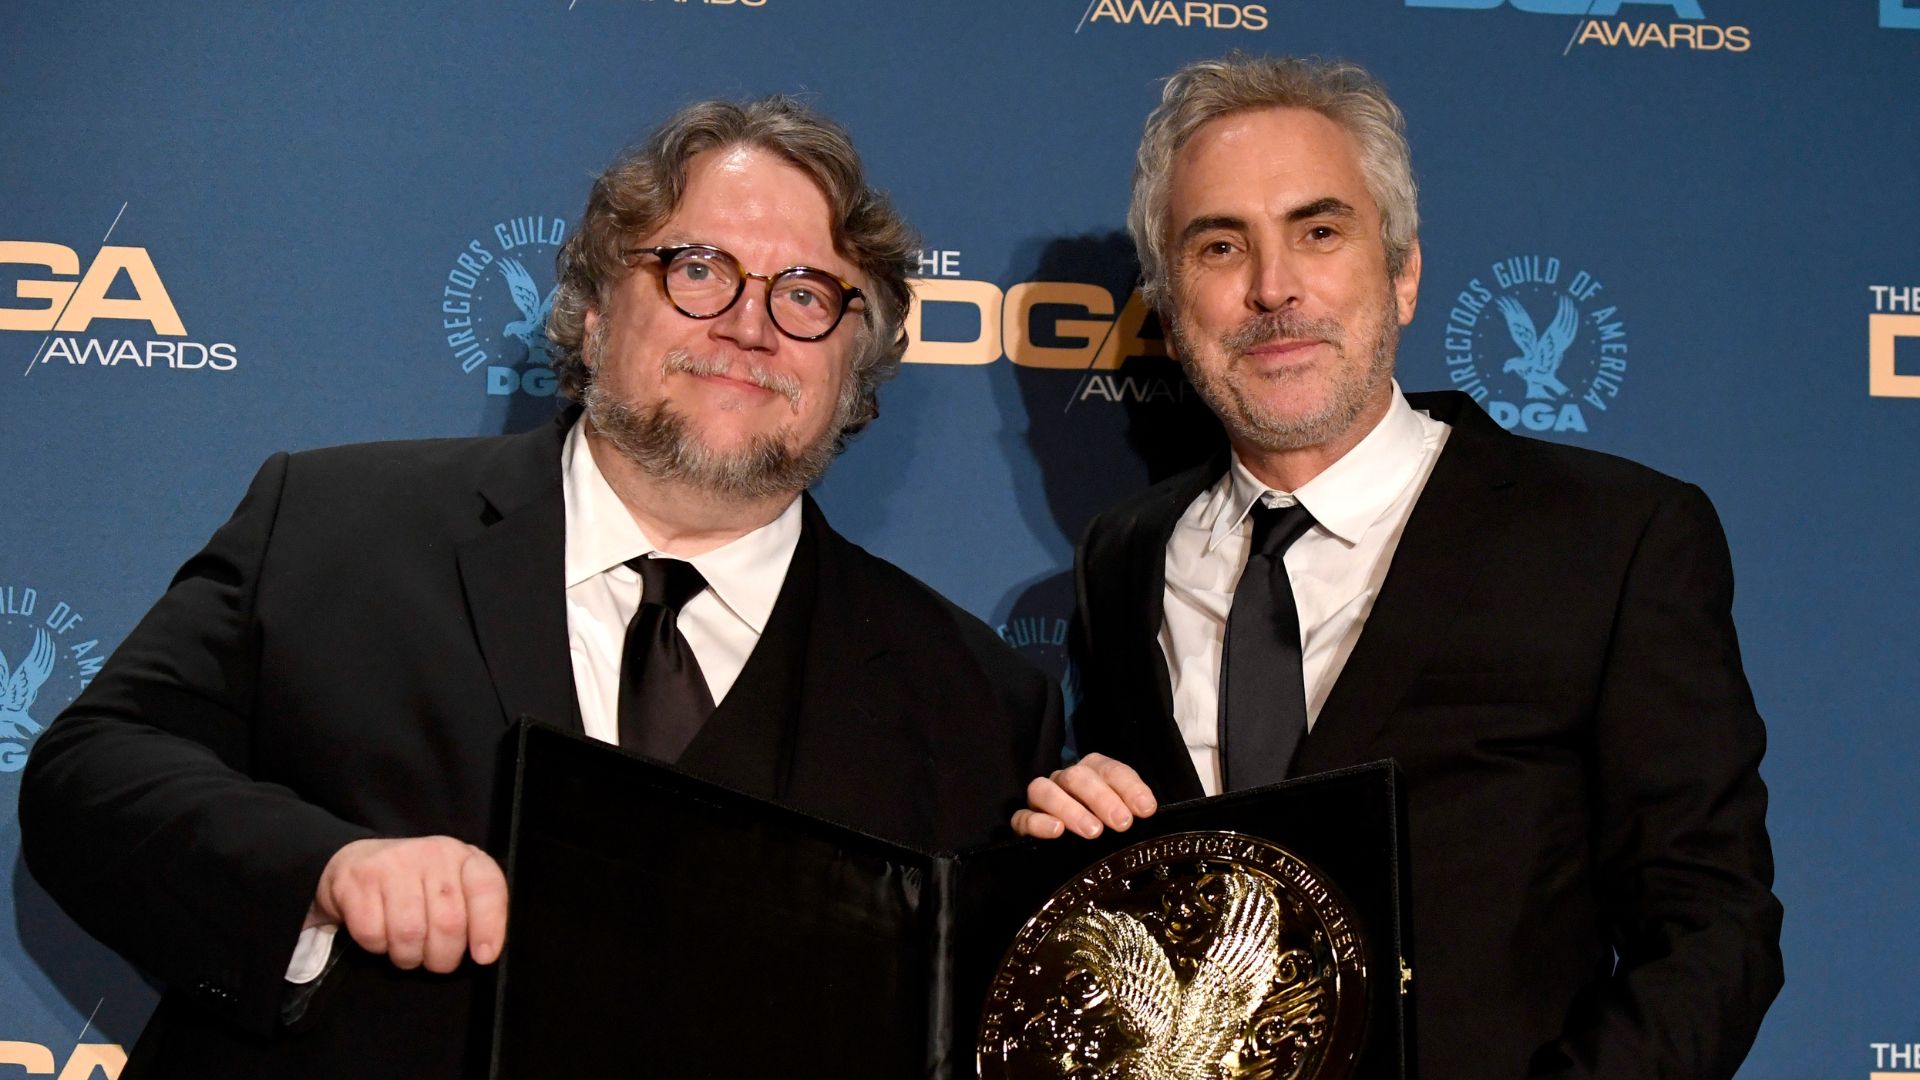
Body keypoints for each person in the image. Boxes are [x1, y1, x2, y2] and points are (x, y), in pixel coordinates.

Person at [21, 96, 1062, 1079]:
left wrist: (1092, 879)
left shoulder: (972, 696)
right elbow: (90, 776)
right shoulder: (333, 524)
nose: (750, 324)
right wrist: (324, 874)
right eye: (700, 269)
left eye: (805, 295)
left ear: (856, 361)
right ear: (599, 308)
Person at [1014, 55, 1782, 1079]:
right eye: (1219, 245)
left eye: (1318, 232)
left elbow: (1712, 929)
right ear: (1167, 302)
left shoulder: (1614, 538)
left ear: (1405, 272)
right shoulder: (1123, 558)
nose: (1272, 287)